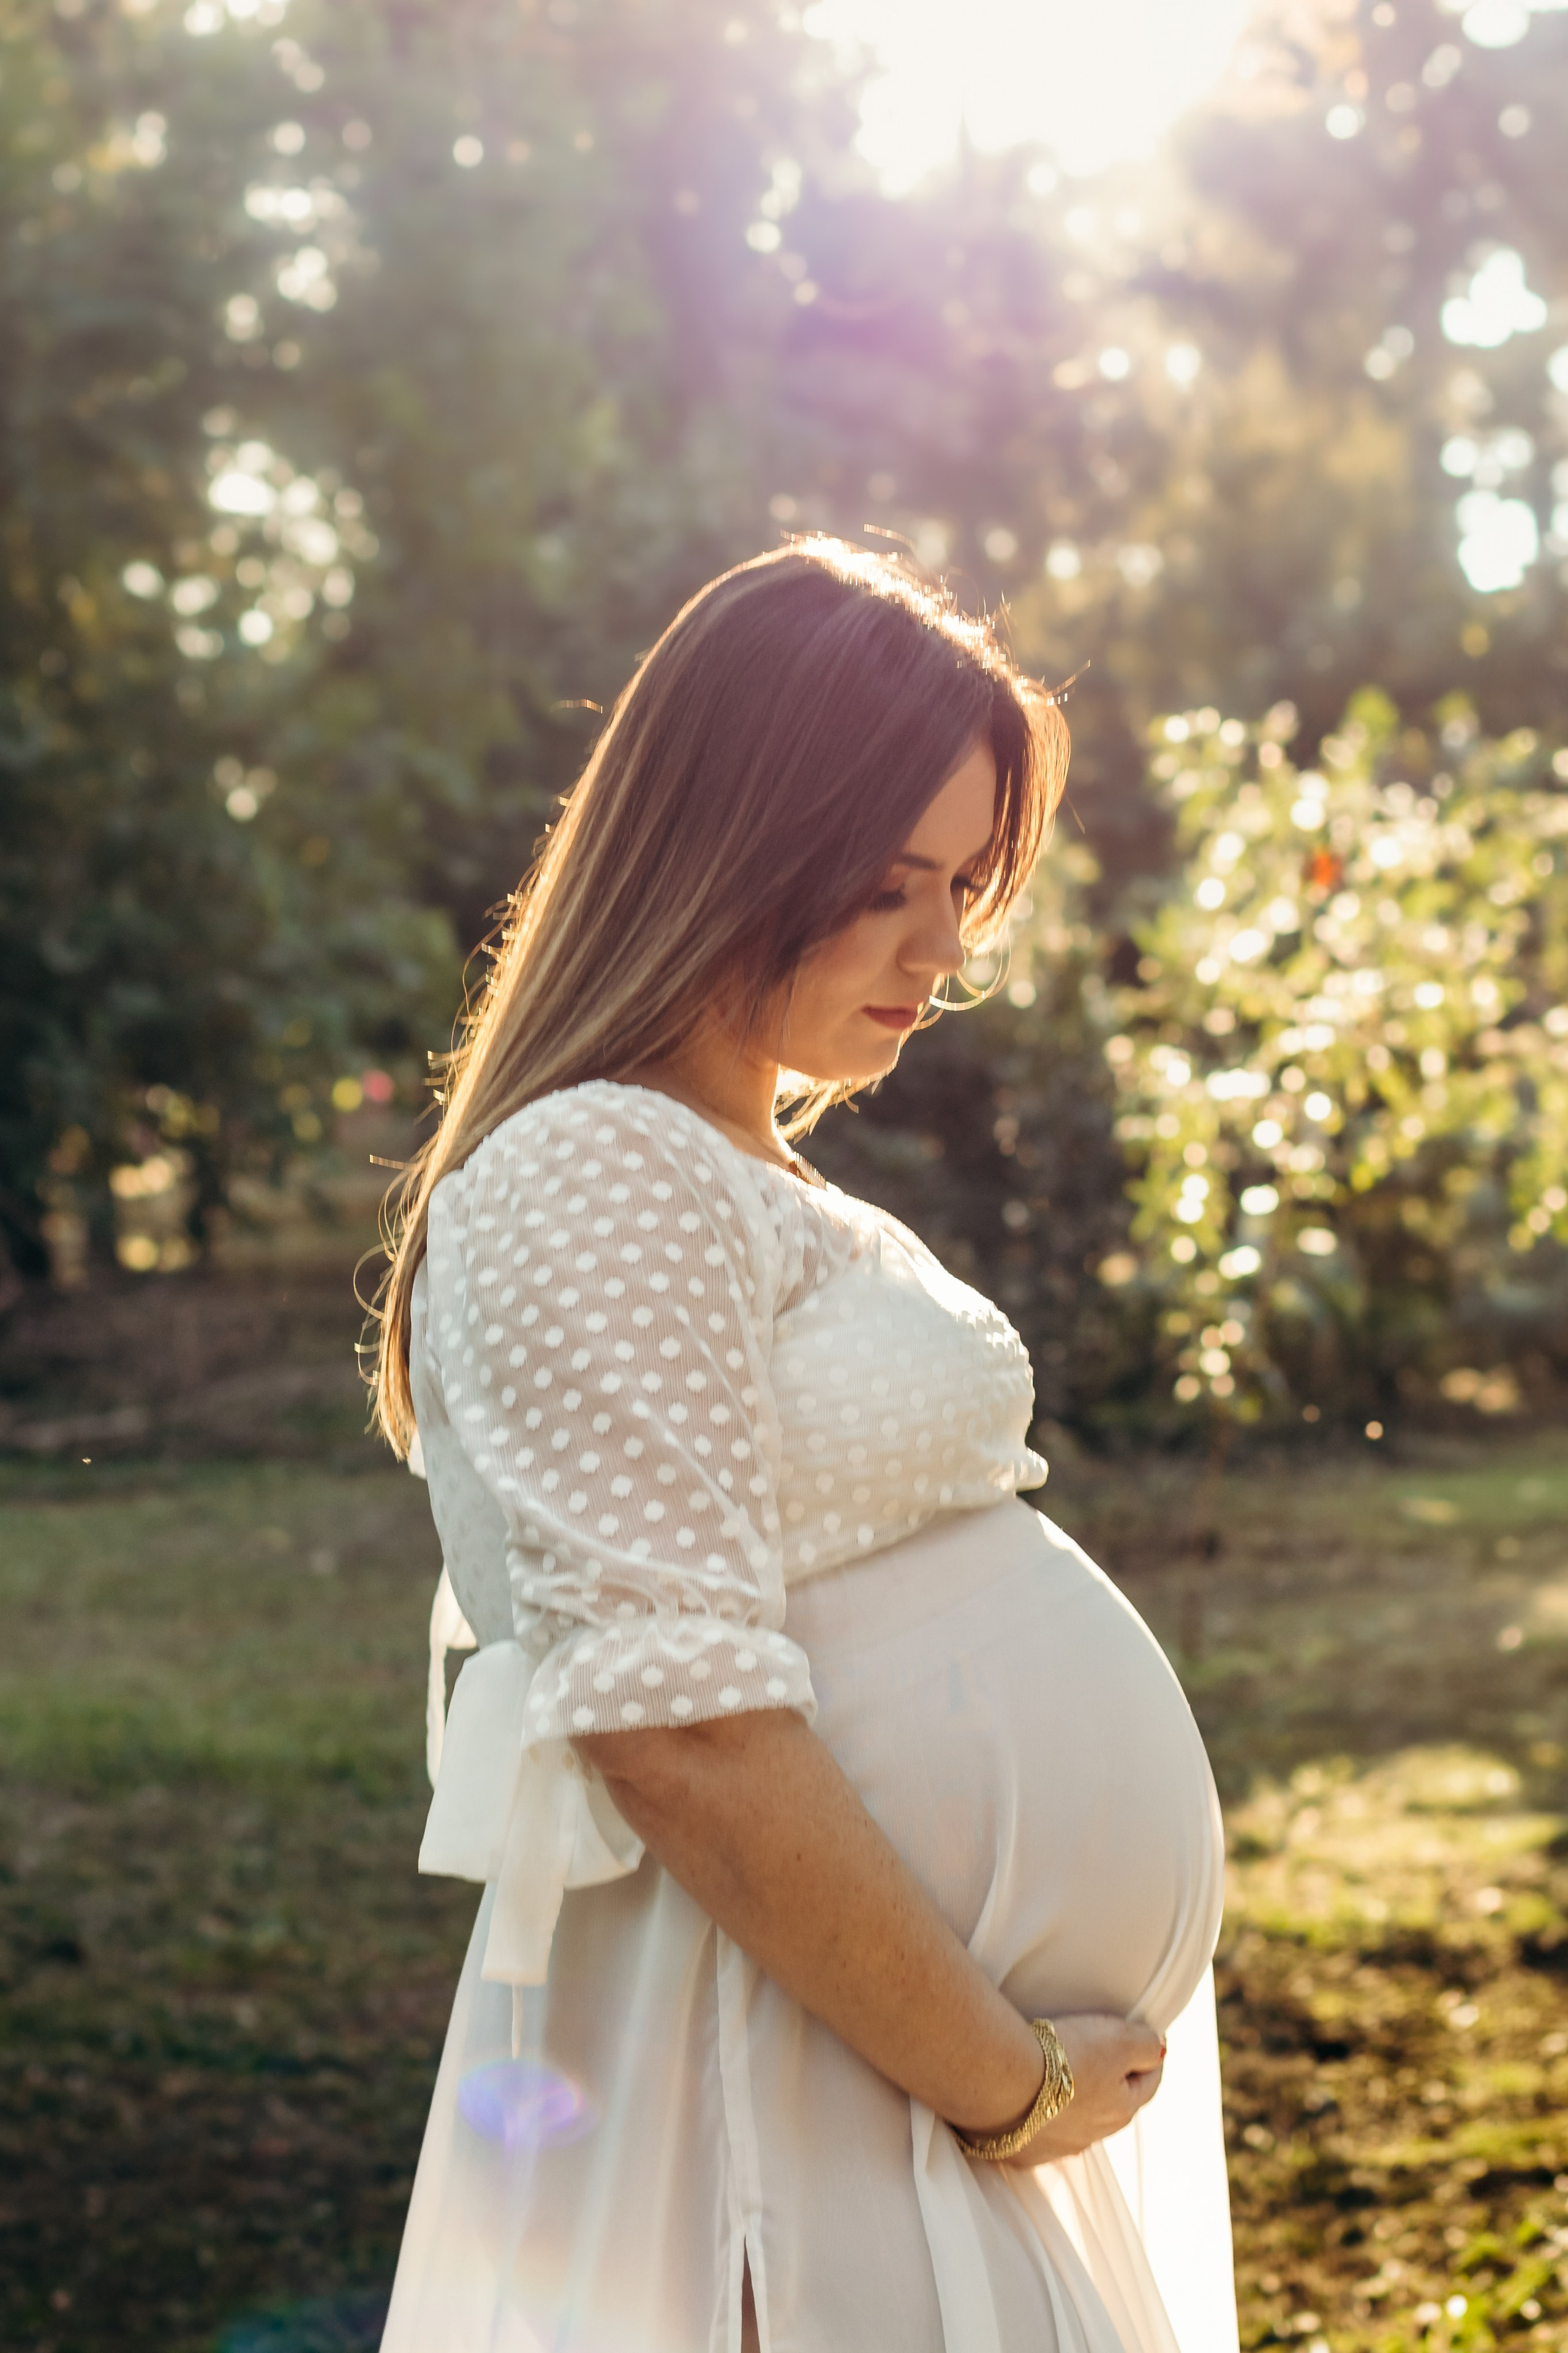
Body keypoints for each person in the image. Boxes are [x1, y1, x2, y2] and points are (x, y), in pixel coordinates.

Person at [371, 538, 1237, 2353]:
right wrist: (1003, 2080)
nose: (945, 949)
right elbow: (675, 1721)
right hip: (779, 2068)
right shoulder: (594, 1161)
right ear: (724, 843)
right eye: (887, 881)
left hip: (877, 2069)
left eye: (967, 885)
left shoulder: (737, 1168)